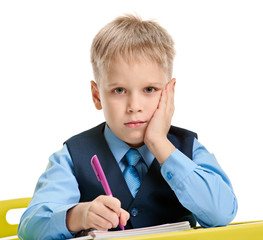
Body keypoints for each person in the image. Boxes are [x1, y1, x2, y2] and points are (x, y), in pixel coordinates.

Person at [18, 14, 238, 239]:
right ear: (97, 95)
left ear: (170, 92)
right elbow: (30, 227)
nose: (134, 106)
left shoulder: (188, 149)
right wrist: (78, 215)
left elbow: (221, 213)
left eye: (150, 89)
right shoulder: (72, 157)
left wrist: (159, 143)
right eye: (119, 90)